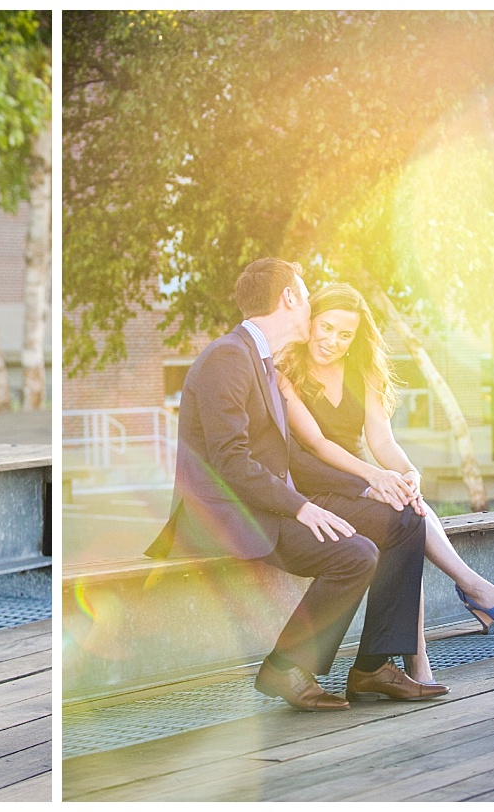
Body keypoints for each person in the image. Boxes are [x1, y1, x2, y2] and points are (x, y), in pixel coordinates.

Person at [146, 257, 448, 710]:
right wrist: (301, 507)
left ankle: (372, 668)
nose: (310, 303)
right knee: (355, 554)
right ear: (289, 297)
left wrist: (370, 485)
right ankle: (284, 668)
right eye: (305, 294)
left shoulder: (261, 360)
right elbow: (231, 461)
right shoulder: (229, 356)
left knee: (403, 520)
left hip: (267, 505)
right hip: (229, 515)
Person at [275, 282, 494, 683]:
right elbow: (317, 445)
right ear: (311, 320)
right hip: (320, 487)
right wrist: (374, 476)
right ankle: (461, 601)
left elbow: (382, 440)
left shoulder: (363, 371)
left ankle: (419, 649)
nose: (332, 341)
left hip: (361, 481)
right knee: (404, 516)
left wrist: (409, 474)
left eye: (344, 334)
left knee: (408, 506)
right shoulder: (287, 372)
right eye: (326, 327)